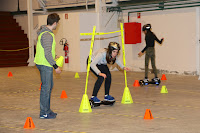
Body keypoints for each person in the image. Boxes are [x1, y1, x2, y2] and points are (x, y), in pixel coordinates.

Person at [34, 13, 61, 119]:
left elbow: (47, 49)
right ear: (54, 23)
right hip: (45, 64)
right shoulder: (47, 35)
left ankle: (47, 110)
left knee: (49, 87)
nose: (57, 25)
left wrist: (54, 55)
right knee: (46, 88)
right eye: (57, 23)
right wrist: (55, 66)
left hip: (43, 63)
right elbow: (47, 54)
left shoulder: (45, 33)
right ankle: (44, 113)